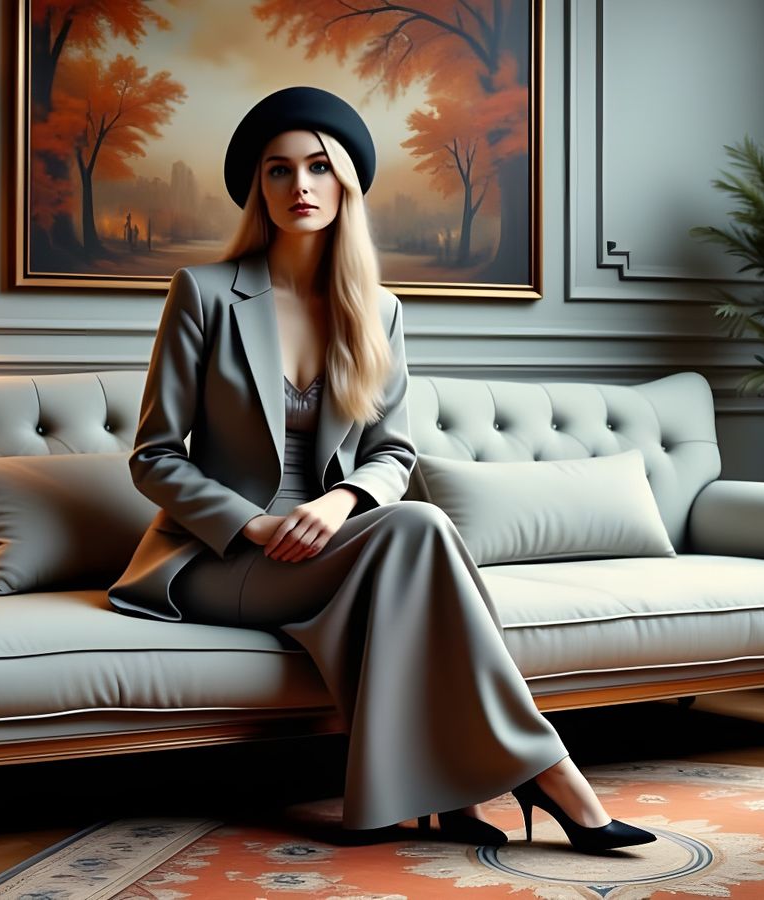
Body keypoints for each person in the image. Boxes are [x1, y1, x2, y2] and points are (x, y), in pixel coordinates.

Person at [107, 85, 655, 853]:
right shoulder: (203, 294)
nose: (300, 186)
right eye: (279, 170)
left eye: (319, 168)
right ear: (257, 188)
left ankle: (456, 792)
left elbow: (392, 453)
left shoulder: (379, 309)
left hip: (338, 542)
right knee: (420, 533)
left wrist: (338, 503)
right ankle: (549, 772)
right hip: (223, 555)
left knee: (411, 542)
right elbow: (154, 455)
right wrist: (256, 521)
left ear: (346, 186)